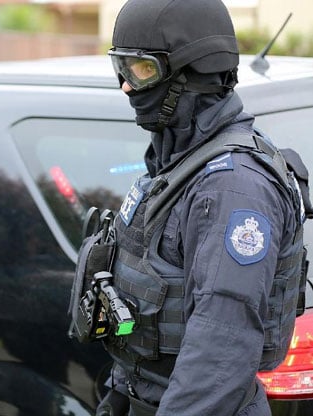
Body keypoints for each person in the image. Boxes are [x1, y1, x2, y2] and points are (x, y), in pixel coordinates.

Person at [93, 0, 309, 415]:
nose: (125, 86)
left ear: (193, 73)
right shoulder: (177, 163)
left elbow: (220, 351)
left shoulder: (233, 186)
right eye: (120, 69)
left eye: (140, 70)